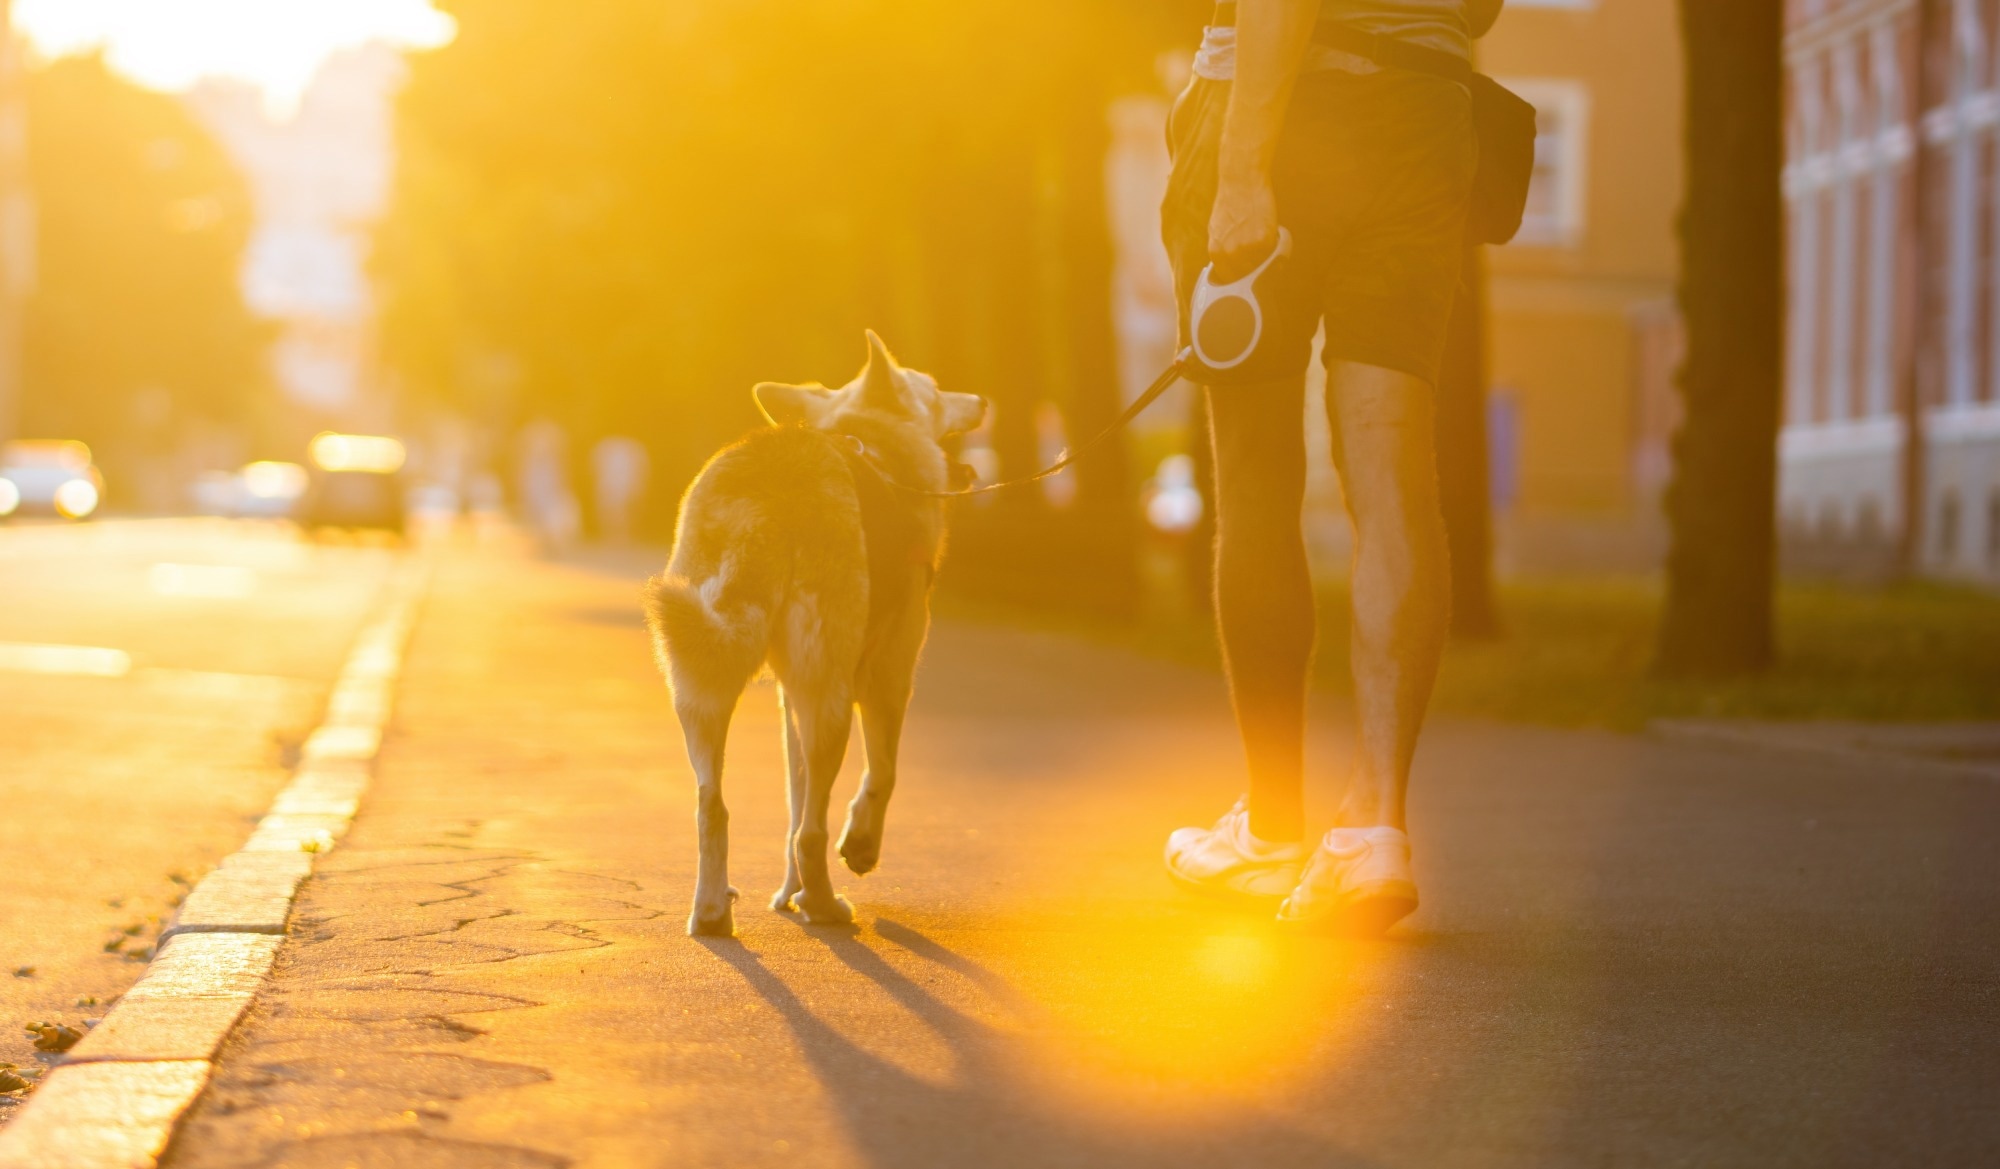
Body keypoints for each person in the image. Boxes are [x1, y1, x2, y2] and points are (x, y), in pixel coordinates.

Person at [1161, 0, 1503, 931]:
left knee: (1256, 481)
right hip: (1423, 126)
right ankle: (1373, 831)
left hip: (1285, 116)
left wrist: (1240, 167)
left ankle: (1271, 829)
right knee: (1393, 478)